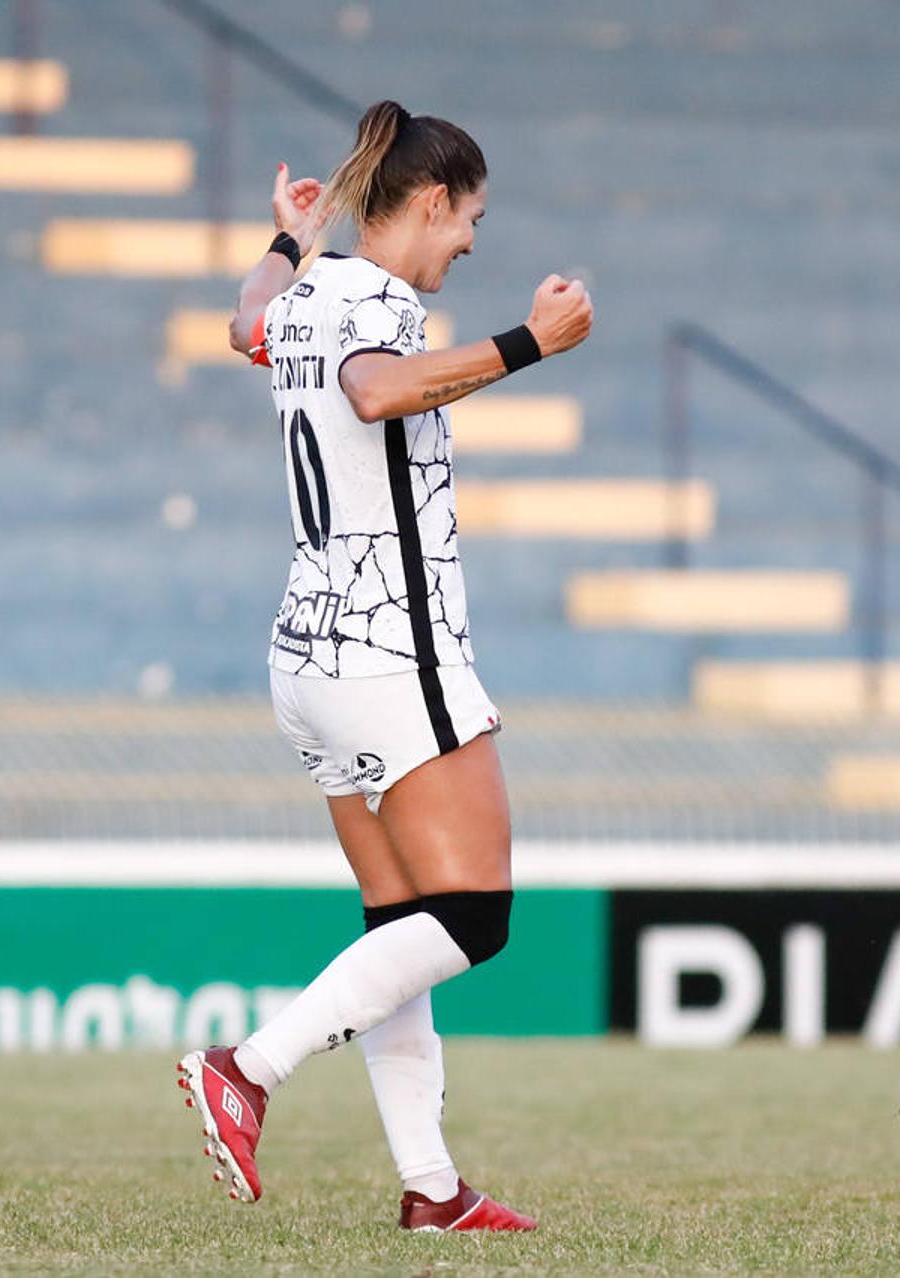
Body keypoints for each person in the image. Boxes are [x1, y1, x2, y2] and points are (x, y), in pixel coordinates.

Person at [174, 99, 593, 1233]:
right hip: (391, 649)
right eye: (471, 218)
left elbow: (245, 324)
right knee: (475, 917)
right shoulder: (381, 305)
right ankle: (249, 1071)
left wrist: (283, 239)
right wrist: (527, 344)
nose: (471, 241)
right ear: (430, 201)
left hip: (307, 650)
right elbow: (373, 391)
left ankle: (432, 1186)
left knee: (397, 925)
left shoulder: (310, 292)